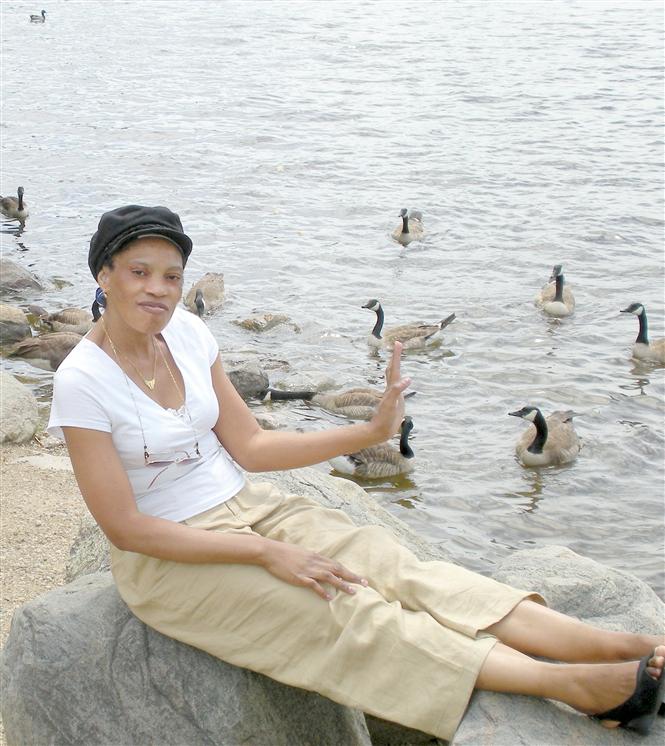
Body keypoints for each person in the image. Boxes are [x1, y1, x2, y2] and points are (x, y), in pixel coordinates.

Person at [48, 204, 665, 741]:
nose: (159, 290)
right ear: (104, 274)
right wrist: (262, 557)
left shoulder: (185, 332)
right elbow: (125, 528)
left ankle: (618, 645)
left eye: (172, 277)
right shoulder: (82, 381)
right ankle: (572, 685)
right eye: (139, 273)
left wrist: (372, 432)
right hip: (171, 558)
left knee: (400, 569)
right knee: (345, 611)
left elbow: (254, 447)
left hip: (250, 504)